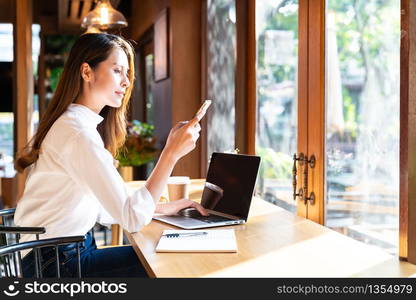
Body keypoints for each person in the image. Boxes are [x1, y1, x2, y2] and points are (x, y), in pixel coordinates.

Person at [13, 33, 208, 278]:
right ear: (86, 72)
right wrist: (170, 153)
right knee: (168, 262)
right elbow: (131, 219)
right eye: (117, 70)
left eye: (127, 73)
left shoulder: (76, 125)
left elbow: (106, 211)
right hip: (57, 266)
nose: (126, 82)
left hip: (59, 255)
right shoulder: (78, 133)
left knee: (164, 253)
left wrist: (164, 208)